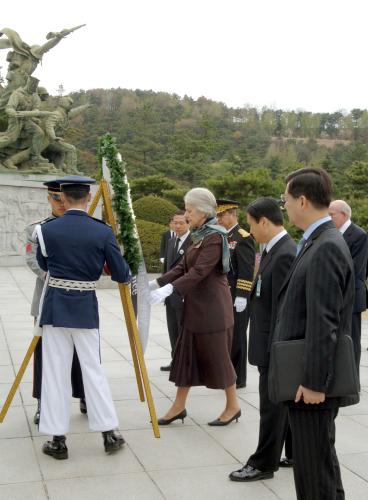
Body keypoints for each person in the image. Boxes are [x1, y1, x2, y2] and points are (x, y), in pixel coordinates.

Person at [274, 167, 358, 500]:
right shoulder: (318, 241)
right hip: (306, 379)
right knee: (319, 464)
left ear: (303, 200)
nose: (286, 207)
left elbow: (325, 322)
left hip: (310, 385)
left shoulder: (325, 246)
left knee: (313, 473)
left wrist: (313, 381)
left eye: (286, 200)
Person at [35, 175, 131, 459]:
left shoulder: (45, 229)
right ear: (88, 198)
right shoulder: (102, 231)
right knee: (93, 370)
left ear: (62, 199)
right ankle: (108, 434)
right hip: (85, 310)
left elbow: (44, 265)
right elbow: (121, 274)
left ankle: (58, 440)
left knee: (55, 373)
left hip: (55, 309)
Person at [150, 188, 241, 426]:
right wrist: (156, 283)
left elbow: (200, 271)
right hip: (195, 308)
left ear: (202, 211)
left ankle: (233, 406)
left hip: (212, 310)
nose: (187, 214)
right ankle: (178, 406)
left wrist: (171, 290)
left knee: (219, 358)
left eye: (189, 210)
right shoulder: (199, 234)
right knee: (185, 358)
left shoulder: (214, 237)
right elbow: (182, 266)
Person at [229, 197, 296, 482]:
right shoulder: (272, 249)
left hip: (274, 347)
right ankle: (293, 452)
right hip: (268, 342)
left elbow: (284, 311)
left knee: (271, 407)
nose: (250, 230)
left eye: (252, 224)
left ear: (264, 222)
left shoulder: (284, 254)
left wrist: (275, 351)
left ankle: (263, 463)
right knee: (282, 405)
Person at [25, 180, 86, 425]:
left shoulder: (84, 227)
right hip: (48, 300)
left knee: (83, 353)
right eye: (56, 199)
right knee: (43, 355)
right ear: (50, 199)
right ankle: (43, 403)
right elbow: (32, 259)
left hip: (79, 303)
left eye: (63, 198)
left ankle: (85, 396)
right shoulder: (38, 228)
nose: (61, 204)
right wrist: (55, 277)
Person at [217, 199, 255, 388]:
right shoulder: (222, 236)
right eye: (217, 216)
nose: (219, 220)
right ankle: (227, 372)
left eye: (221, 216)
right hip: (222, 295)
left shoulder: (243, 237)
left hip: (236, 295)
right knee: (226, 337)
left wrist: (242, 295)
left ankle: (238, 378)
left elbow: (247, 270)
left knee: (238, 336)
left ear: (232, 215)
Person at [329, 200, 368, 377]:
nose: (329, 218)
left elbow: (355, 267)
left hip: (351, 296)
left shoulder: (359, 235)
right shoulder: (332, 234)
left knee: (351, 340)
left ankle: (352, 381)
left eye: (332, 214)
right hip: (335, 294)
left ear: (344, 215)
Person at [160, 210, 191, 372]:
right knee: (172, 329)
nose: (177, 226)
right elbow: (167, 270)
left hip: (185, 295)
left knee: (184, 331)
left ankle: (186, 363)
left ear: (188, 224)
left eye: (181, 223)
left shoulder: (194, 242)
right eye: (175, 223)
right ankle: (175, 361)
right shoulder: (171, 241)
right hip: (170, 295)